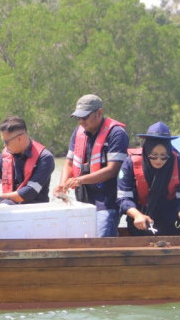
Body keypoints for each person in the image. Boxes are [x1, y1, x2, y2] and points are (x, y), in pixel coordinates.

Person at [54, 94, 129, 237]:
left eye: (85, 117)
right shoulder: (78, 132)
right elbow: (69, 162)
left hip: (107, 202)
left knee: (102, 239)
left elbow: (113, 170)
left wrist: (81, 179)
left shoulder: (117, 134)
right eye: (78, 118)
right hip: (83, 201)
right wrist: (62, 184)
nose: (81, 122)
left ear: (99, 113)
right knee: (84, 240)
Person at [117, 122, 180, 236]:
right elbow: (123, 198)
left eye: (164, 156)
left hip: (171, 221)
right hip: (139, 220)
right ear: (147, 150)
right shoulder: (130, 162)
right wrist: (136, 215)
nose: (158, 160)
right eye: (154, 155)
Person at [0, 116, 55, 206]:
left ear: (19, 138)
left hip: (34, 210)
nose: (4, 146)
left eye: (6, 142)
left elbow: (30, 192)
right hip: (8, 205)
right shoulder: (5, 155)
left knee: (3, 207)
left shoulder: (45, 158)